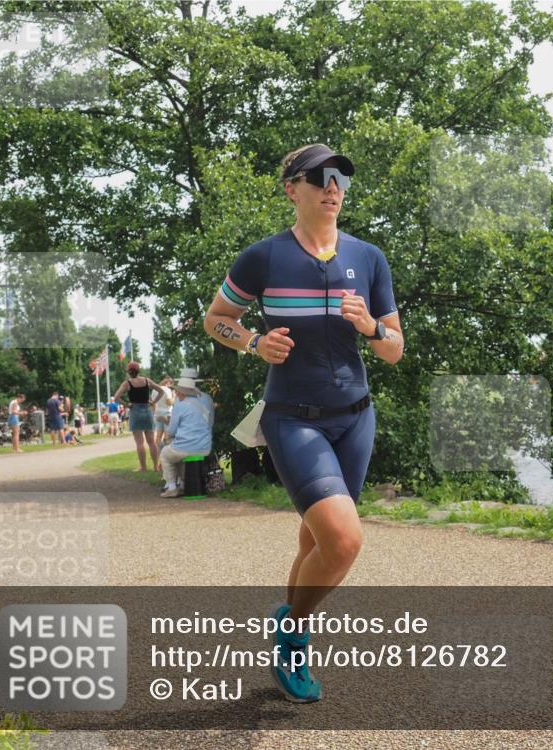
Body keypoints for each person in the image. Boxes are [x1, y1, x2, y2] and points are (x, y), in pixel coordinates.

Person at [204, 143, 403, 703]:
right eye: (319, 177)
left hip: (356, 420)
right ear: (292, 187)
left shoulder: (369, 258)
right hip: (293, 420)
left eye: (340, 176)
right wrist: (250, 342)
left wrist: (370, 327)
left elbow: (395, 350)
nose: (332, 186)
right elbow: (216, 318)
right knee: (341, 542)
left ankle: (290, 625)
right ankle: (293, 632)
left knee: (314, 539)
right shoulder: (263, 258)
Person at [158, 376, 214, 497]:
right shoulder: (204, 401)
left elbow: (172, 430)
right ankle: (184, 484)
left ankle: (172, 487)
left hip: (187, 447)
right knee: (177, 452)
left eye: (177, 391)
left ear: (182, 392)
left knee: (165, 454)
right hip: (205, 446)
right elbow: (210, 423)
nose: (176, 393)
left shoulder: (180, 405)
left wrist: (168, 434)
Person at [114, 361, 167, 472]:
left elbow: (116, 397)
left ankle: (143, 467)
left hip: (135, 411)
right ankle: (156, 467)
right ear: (138, 371)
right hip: (147, 410)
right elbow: (161, 391)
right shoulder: (147, 380)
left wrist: (127, 405)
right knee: (151, 442)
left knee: (139, 443)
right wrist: (153, 402)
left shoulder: (127, 383)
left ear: (129, 372)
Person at [151, 375, 175, 470]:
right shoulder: (167, 390)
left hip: (157, 414)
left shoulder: (154, 390)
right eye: (171, 384)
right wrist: (174, 397)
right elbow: (169, 402)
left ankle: (157, 464)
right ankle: (164, 462)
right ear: (168, 382)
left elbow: (153, 403)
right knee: (167, 439)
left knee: (158, 439)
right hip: (167, 414)